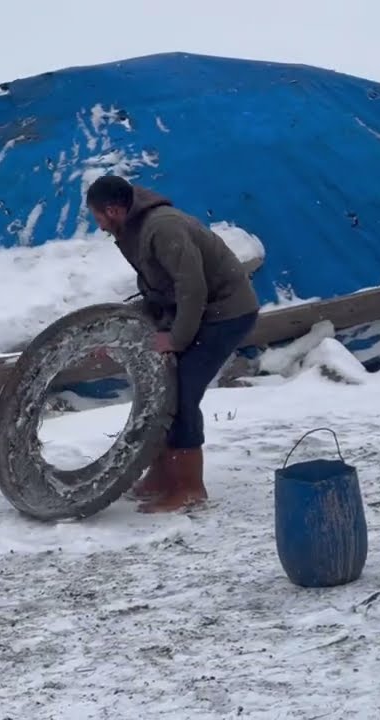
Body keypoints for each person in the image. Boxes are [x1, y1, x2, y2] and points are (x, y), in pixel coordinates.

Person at [85, 174, 260, 513]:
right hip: (201, 310)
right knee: (165, 388)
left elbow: (192, 289)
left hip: (227, 313)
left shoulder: (164, 228)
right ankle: (163, 475)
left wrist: (177, 339)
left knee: (179, 392)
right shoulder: (133, 230)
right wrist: (116, 334)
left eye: (98, 217)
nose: (99, 225)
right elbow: (157, 292)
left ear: (114, 210)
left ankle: (189, 487)